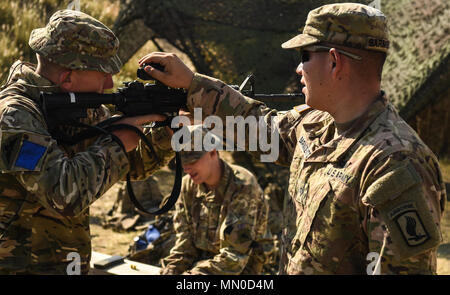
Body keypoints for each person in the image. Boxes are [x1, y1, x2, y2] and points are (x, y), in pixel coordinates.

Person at [139, 3, 447, 274]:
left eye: (305, 55)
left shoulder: (394, 164)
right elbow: (257, 127)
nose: (299, 68)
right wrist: (192, 85)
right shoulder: (315, 123)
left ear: (335, 61)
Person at [0, 10, 173, 274]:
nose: (110, 83)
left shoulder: (82, 109)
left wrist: (167, 131)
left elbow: (133, 165)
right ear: (68, 77)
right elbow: (65, 192)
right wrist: (116, 140)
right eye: (103, 73)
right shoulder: (13, 118)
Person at [160, 125, 272, 275]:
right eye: (183, 162)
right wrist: (171, 271)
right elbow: (184, 247)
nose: (186, 168)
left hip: (246, 269)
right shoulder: (187, 186)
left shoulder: (242, 186)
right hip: (204, 266)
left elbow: (234, 258)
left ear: (213, 152)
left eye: (192, 161)